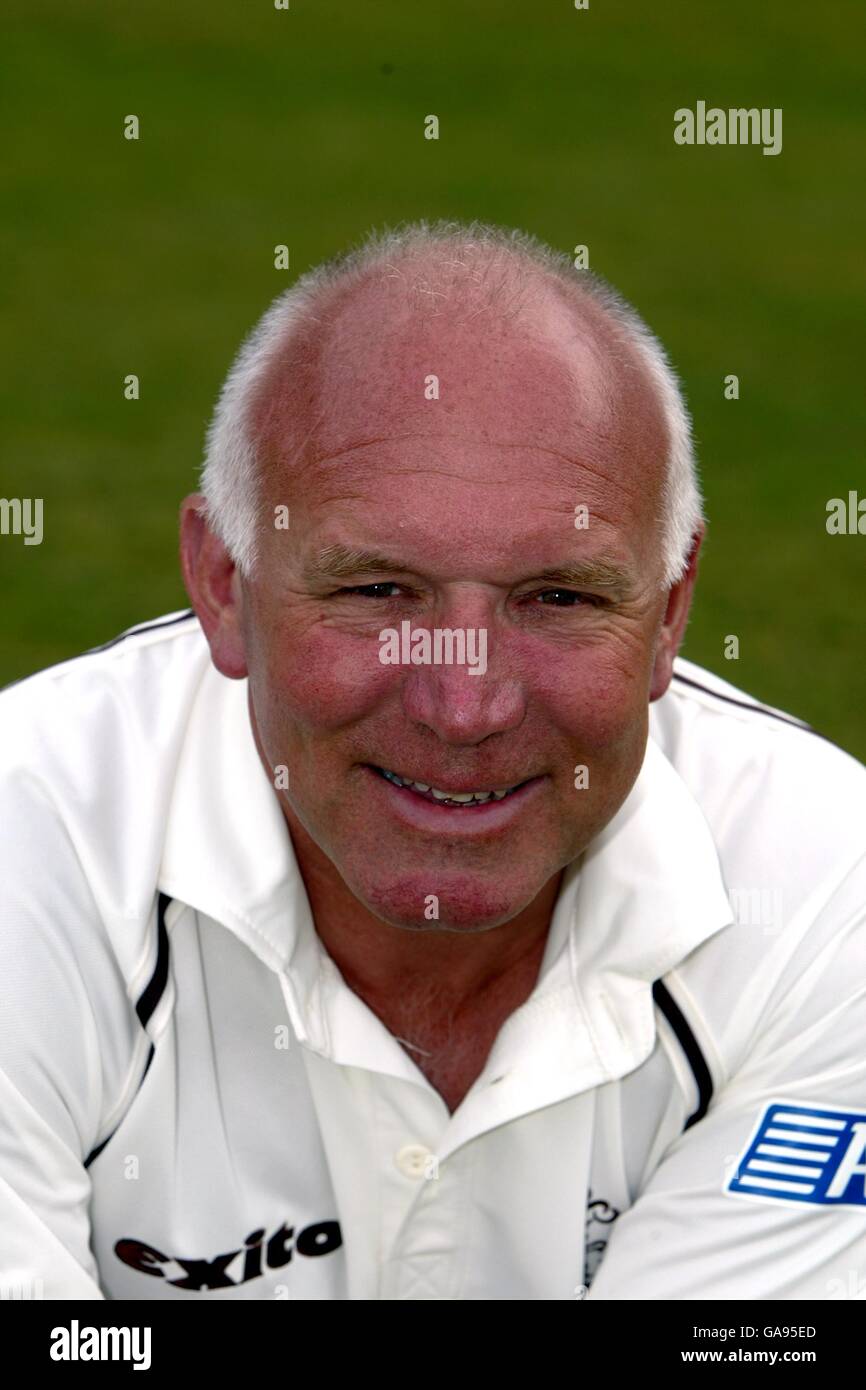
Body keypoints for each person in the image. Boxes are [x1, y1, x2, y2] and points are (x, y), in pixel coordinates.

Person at [1, 220, 864, 1301]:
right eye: (376, 593)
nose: (465, 705)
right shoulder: (24, 838)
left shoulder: (833, 890)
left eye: (558, 597)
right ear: (222, 584)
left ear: (668, 612)